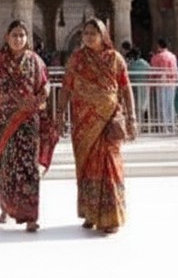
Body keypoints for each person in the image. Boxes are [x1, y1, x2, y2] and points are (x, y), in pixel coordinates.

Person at [56, 18, 137, 234]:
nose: (89, 37)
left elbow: (125, 88)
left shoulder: (115, 58)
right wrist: (59, 114)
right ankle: (91, 213)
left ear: (103, 35)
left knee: (110, 166)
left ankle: (111, 218)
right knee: (86, 168)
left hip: (109, 120)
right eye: (86, 33)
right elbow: (65, 87)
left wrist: (132, 118)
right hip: (83, 123)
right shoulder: (77, 59)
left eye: (94, 33)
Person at [0, 20, 52, 233]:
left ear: (27, 39)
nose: (18, 39)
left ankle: (30, 215)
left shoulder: (35, 61)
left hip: (27, 123)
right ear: (6, 37)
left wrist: (35, 103)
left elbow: (45, 88)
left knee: (28, 168)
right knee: (5, 166)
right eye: (14, 35)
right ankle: (6, 207)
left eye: (22, 35)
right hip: (3, 122)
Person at [148, 38, 178, 133]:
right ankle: (171, 124)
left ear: (159, 45)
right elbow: (175, 72)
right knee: (170, 105)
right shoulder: (173, 56)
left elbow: (153, 72)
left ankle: (163, 126)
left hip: (160, 83)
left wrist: (150, 83)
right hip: (171, 83)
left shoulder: (157, 57)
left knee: (161, 105)